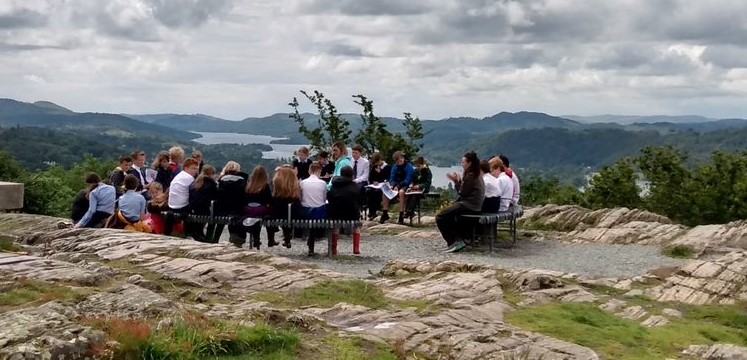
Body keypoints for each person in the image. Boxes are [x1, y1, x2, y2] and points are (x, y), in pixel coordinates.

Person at [436, 151, 485, 253]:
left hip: (469, 205)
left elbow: (462, 193)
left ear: (469, 163)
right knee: (449, 215)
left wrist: (456, 182)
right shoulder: (477, 174)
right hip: (475, 205)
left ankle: (453, 241)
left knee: (440, 216)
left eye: (463, 162)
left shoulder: (471, 176)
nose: (462, 164)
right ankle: (458, 239)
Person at [327, 166, 362, 255]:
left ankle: (334, 248)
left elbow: (329, 197)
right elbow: (361, 201)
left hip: (335, 213)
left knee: (336, 226)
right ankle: (356, 248)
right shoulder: (355, 186)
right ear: (352, 175)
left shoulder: (334, 184)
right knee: (356, 226)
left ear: (341, 174)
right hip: (352, 214)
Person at [165, 158, 200, 240]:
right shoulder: (189, 178)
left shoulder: (178, 176)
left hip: (171, 206)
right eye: (193, 168)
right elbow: (194, 194)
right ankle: (191, 233)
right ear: (186, 168)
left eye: (196, 169)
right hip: (182, 207)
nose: (195, 171)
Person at [215, 161, 248, 247]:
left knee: (231, 218)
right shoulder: (242, 181)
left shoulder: (221, 181)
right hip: (238, 209)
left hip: (222, 209)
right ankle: (239, 238)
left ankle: (215, 239)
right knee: (240, 217)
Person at [244, 165, 276, 249]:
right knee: (271, 215)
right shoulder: (265, 186)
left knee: (256, 220)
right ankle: (271, 239)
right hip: (261, 210)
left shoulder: (248, 186)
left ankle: (256, 239)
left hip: (248, 210)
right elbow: (269, 200)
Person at [270, 167, 302, 248]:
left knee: (283, 215)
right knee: (289, 214)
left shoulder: (277, 187)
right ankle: (287, 238)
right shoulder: (294, 188)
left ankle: (286, 238)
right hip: (293, 213)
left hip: (279, 212)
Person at [300, 162, 328, 254]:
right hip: (318, 213)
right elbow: (324, 199)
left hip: (305, 212)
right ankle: (313, 240)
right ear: (319, 171)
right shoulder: (323, 183)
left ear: (309, 171)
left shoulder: (302, 183)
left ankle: (309, 240)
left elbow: (300, 198)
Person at [380, 151, 415, 224]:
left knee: (401, 192)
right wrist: (392, 185)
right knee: (385, 192)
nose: (400, 161)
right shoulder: (395, 167)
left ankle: (401, 214)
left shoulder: (409, 167)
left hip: (405, 185)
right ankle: (385, 212)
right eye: (398, 161)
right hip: (396, 185)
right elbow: (392, 178)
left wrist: (398, 186)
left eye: (401, 159)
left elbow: (407, 180)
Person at [189, 165, 218, 242]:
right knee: (215, 215)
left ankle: (199, 233)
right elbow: (215, 197)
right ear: (211, 174)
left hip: (193, 208)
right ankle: (209, 237)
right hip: (204, 210)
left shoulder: (195, 182)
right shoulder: (211, 184)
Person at [404, 156, 433, 221]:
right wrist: (412, 184)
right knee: (409, 195)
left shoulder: (427, 171)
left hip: (424, 189)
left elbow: (428, 183)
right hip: (415, 188)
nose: (417, 167)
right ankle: (409, 212)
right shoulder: (416, 171)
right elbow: (413, 180)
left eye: (418, 165)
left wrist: (420, 186)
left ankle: (409, 211)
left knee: (415, 196)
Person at [365, 152, 390, 221]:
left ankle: (377, 209)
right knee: (369, 191)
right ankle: (371, 212)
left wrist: (380, 172)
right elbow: (371, 178)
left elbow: (387, 178)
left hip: (383, 185)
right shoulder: (374, 167)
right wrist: (373, 182)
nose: (377, 164)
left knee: (377, 193)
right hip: (375, 185)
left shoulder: (387, 167)